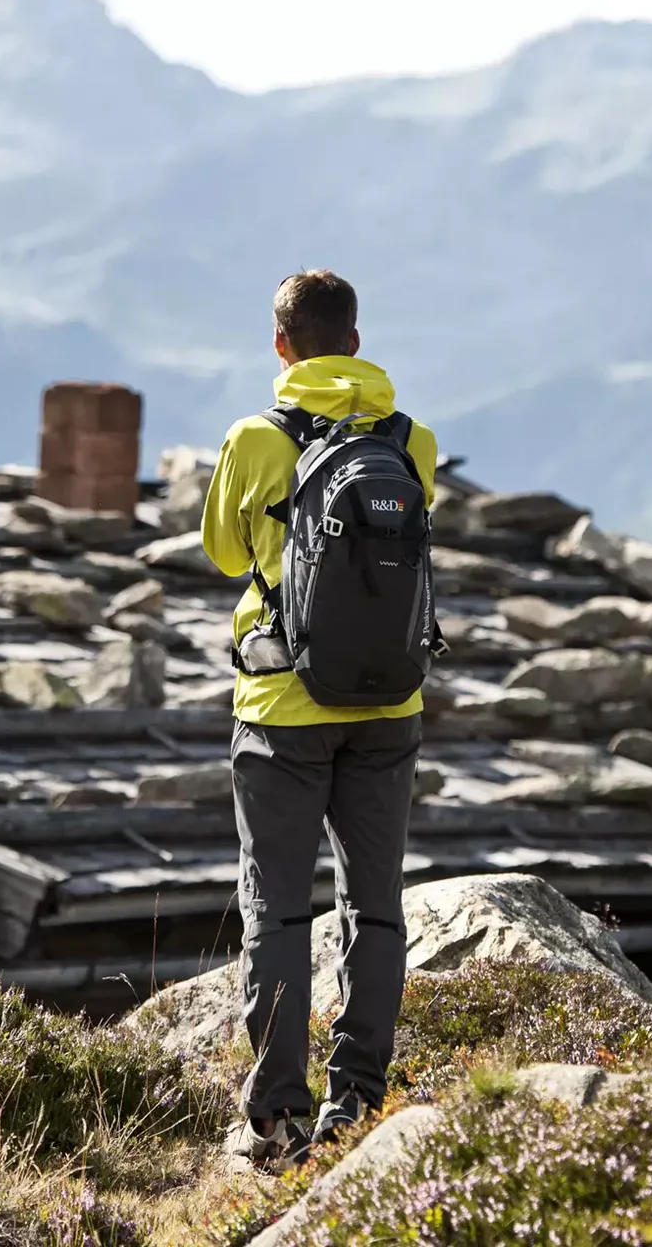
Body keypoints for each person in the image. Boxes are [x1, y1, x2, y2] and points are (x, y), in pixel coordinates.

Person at [200, 268, 437, 1172]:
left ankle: (279, 1115)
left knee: (278, 907)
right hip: (391, 703)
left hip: (280, 711)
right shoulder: (414, 441)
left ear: (280, 345)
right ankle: (361, 1103)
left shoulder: (256, 439)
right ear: (358, 341)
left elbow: (226, 555)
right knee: (375, 906)